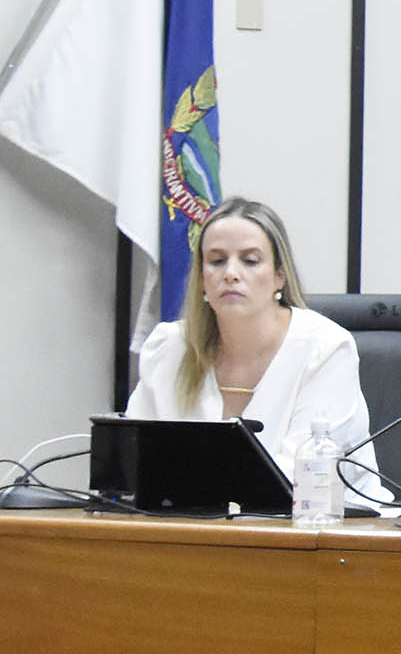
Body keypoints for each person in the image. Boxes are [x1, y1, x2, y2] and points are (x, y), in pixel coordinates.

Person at [127, 196, 373, 479]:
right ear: (202, 280)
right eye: (217, 261)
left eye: (250, 261)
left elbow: (304, 475)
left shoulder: (326, 349)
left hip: (323, 519)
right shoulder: (169, 348)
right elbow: (136, 462)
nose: (231, 273)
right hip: (191, 520)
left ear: (280, 276)